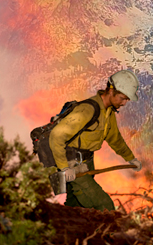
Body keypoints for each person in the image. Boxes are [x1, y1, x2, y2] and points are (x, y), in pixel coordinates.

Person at [51, 70, 143, 211]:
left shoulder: (108, 112)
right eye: (122, 98)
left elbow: (115, 139)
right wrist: (64, 167)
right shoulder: (87, 110)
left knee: (75, 206)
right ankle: (109, 232)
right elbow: (56, 135)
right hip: (72, 164)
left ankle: (69, 231)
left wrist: (131, 159)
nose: (124, 103)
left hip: (86, 164)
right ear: (111, 91)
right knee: (103, 205)